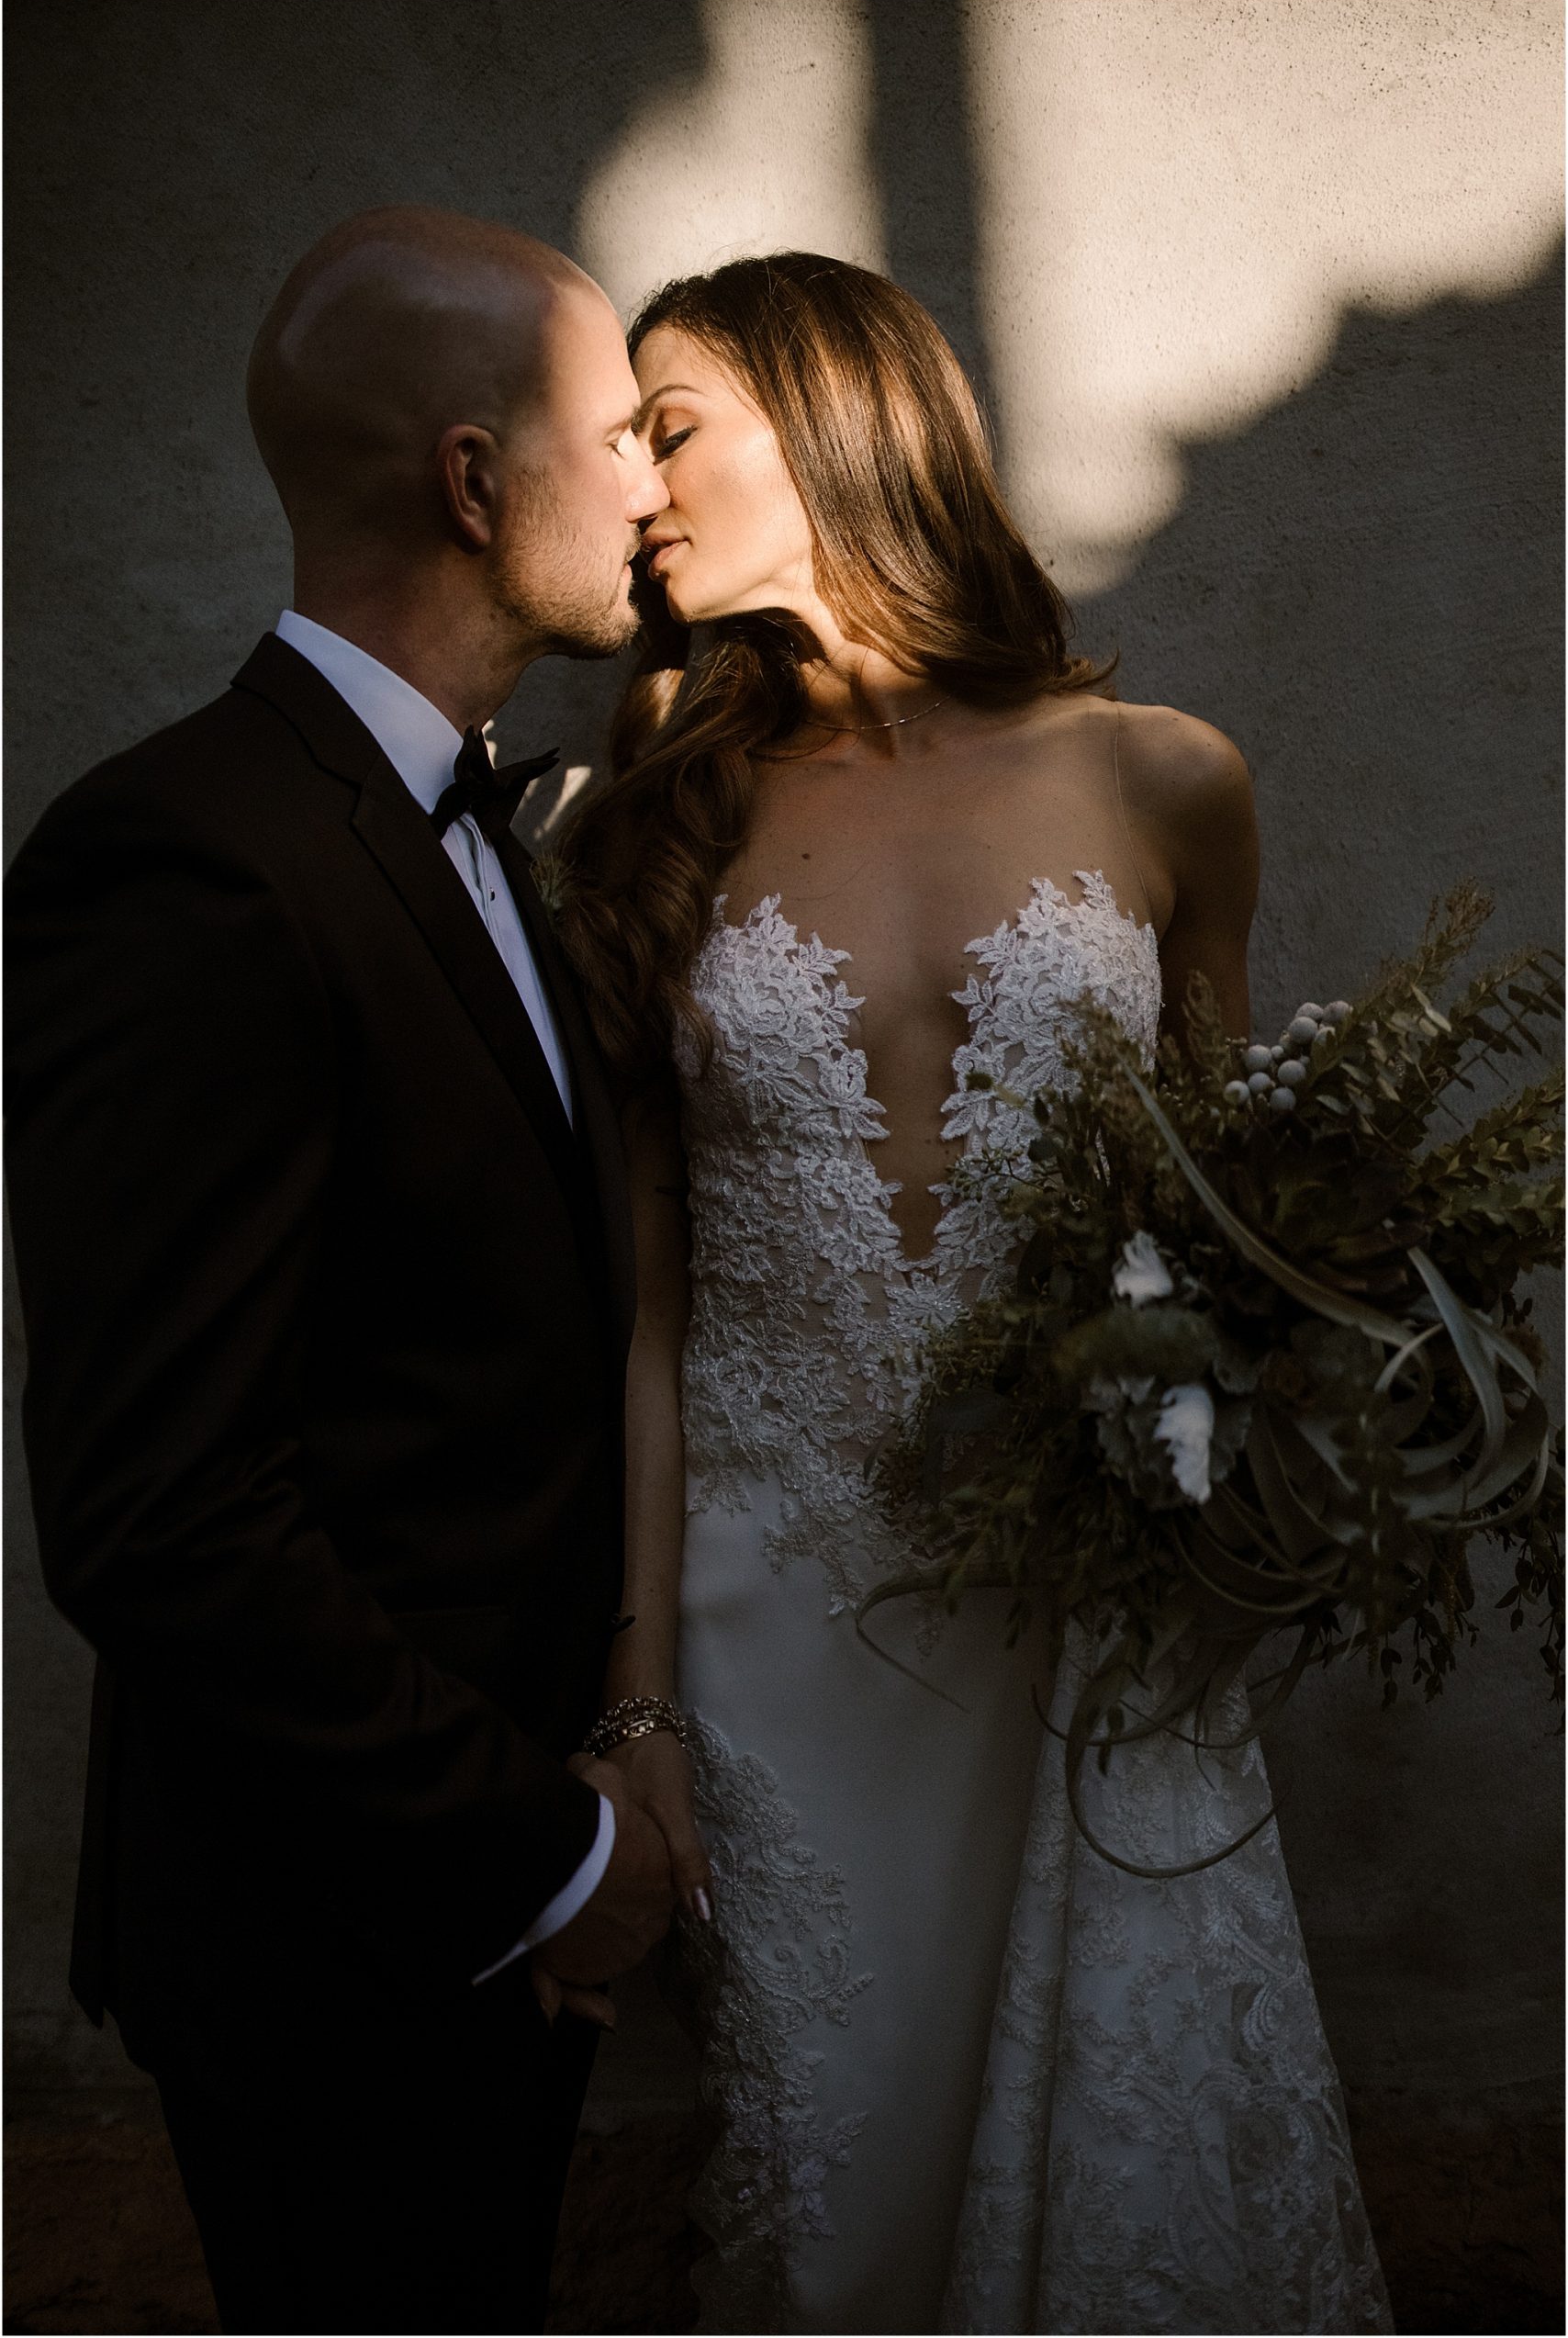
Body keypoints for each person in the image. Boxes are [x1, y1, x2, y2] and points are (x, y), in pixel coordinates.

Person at [557, 253, 1394, 2335]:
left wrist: (1237, 1462)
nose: (635, 487)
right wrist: (639, 1701)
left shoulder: (1158, 777)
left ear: (839, 419)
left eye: (670, 428)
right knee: (836, 2185)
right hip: (772, 1621)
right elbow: (642, 1316)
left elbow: (1230, 1231)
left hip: (1085, 1612)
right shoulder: (654, 822)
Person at [5, 206, 681, 2336]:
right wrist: (546, 1854)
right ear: (472, 482)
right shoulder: (192, 854)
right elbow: (160, 1510)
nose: (657, 487)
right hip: (343, 1923)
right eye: (614, 435)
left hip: (496, 1889)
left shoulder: (487, 825)